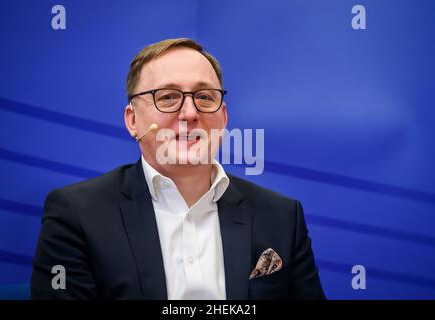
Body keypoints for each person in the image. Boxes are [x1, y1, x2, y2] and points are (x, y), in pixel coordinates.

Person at [30, 38, 325, 300]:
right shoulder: (77, 214)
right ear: (132, 120)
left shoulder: (281, 216)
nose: (189, 113)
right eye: (168, 97)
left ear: (223, 118)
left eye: (204, 97)